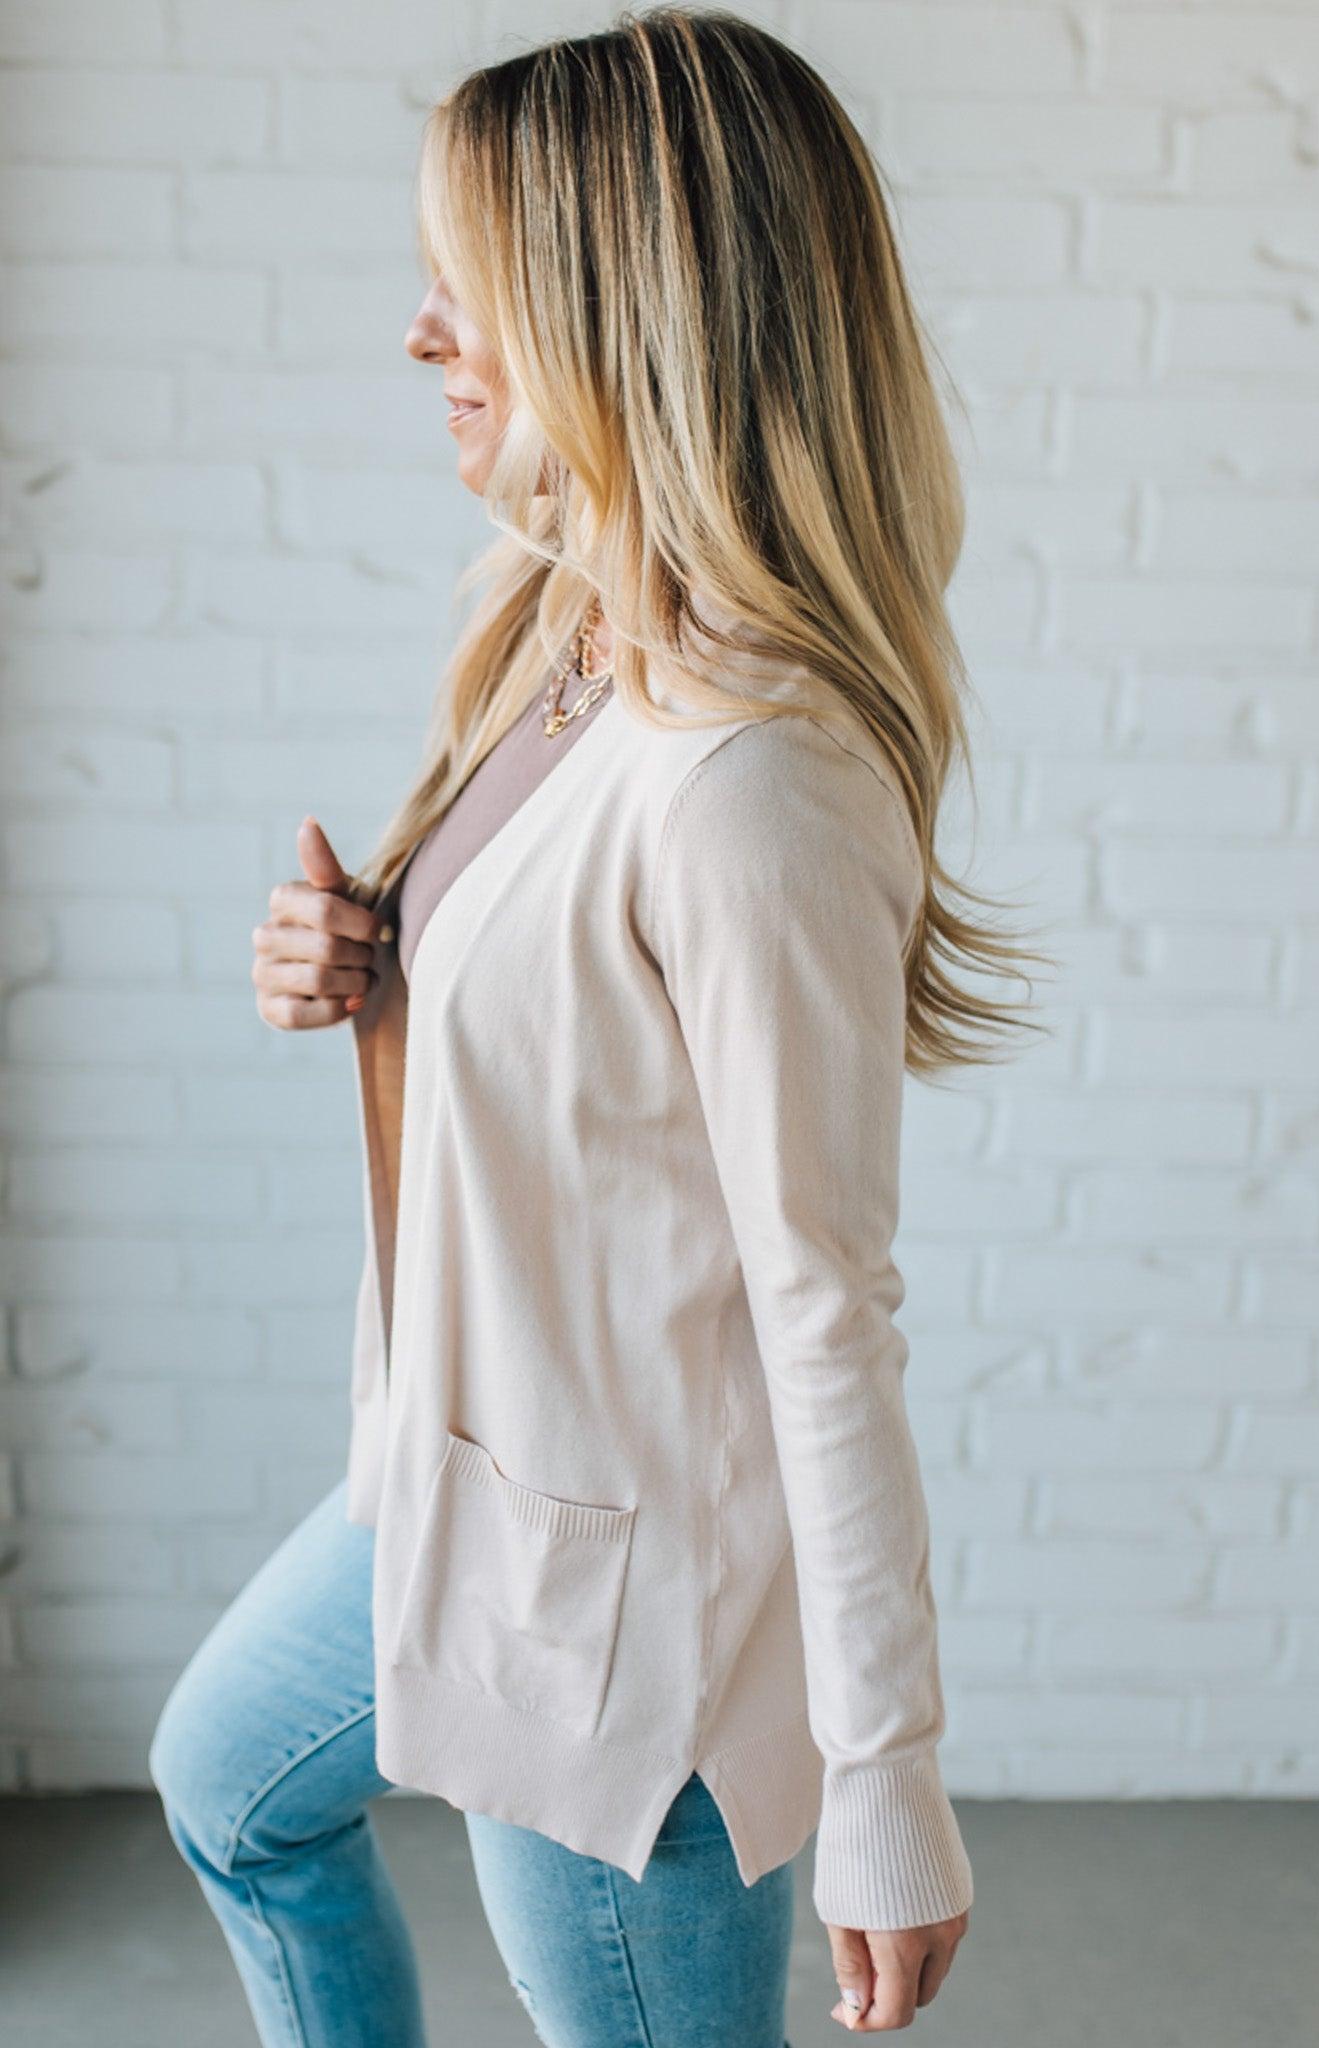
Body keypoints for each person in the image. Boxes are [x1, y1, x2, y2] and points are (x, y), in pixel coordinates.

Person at [148, 9, 1049, 2042]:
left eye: (463, 288)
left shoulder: (753, 777)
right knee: (230, 1788)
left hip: (610, 1621)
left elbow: (826, 1310)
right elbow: (550, 1015)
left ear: (612, 315)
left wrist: (885, 1785)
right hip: (445, 1480)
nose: (417, 335)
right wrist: (365, 962)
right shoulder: (562, 637)